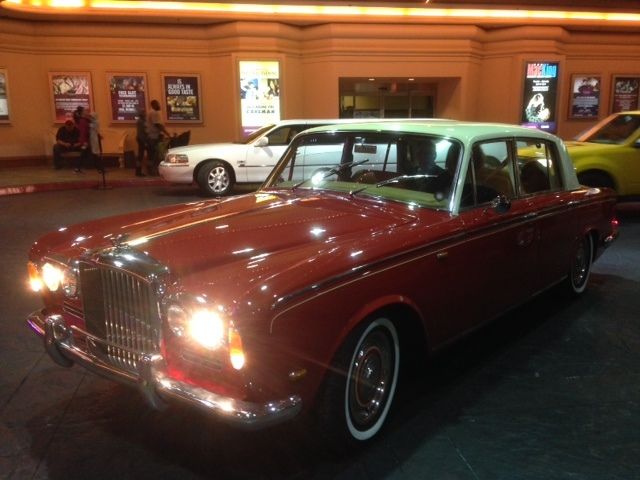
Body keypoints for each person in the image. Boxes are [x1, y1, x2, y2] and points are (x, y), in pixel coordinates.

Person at [146, 99, 170, 175]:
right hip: (154, 137)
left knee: (152, 154)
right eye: (158, 104)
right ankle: (153, 171)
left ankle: (152, 171)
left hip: (153, 136)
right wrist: (167, 133)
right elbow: (158, 125)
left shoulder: (152, 112)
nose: (159, 106)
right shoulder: (154, 113)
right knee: (155, 154)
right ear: (153, 105)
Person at [74, 106, 91, 173]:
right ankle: (77, 167)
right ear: (82, 112)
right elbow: (83, 132)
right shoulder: (82, 121)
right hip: (85, 141)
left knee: (84, 154)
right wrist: (85, 142)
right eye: (85, 111)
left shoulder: (83, 120)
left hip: (85, 140)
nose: (86, 111)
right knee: (83, 154)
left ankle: (77, 168)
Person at [135, 107, 148, 177]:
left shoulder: (142, 121)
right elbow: (142, 132)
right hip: (141, 139)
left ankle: (139, 171)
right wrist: (144, 141)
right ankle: (138, 171)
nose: (145, 113)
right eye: (144, 112)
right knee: (140, 156)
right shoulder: (140, 121)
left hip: (141, 139)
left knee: (141, 155)